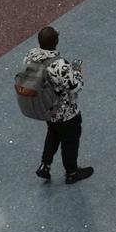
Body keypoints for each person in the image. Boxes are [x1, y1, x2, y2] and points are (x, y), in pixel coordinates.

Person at [26, 26, 93, 184]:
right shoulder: (60, 66)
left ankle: (45, 165)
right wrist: (76, 70)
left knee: (53, 133)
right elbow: (76, 85)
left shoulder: (30, 56)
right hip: (65, 112)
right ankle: (72, 172)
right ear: (56, 42)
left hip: (46, 108)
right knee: (70, 141)